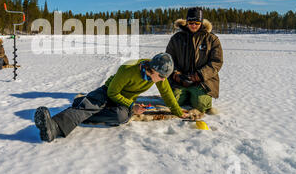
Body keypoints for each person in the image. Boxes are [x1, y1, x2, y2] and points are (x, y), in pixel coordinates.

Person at [34, 53, 190, 142]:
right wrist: (131, 105)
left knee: (121, 117)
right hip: (108, 91)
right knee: (94, 104)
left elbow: (168, 94)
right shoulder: (128, 70)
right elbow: (113, 93)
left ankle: (81, 108)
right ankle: (54, 127)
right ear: (153, 69)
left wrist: (177, 111)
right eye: (162, 77)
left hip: (123, 99)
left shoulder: (159, 77)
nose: (164, 80)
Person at [166, 7, 223, 114]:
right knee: (172, 102)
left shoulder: (212, 39)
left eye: (197, 22)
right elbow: (169, 59)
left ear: (201, 23)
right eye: (191, 22)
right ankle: (186, 94)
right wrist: (176, 74)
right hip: (180, 81)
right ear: (187, 22)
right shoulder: (176, 38)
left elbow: (216, 62)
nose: (193, 25)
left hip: (203, 82)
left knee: (201, 105)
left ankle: (193, 95)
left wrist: (199, 75)